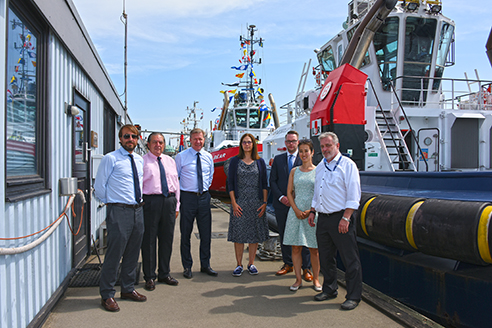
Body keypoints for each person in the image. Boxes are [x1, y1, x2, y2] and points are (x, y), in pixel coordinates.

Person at [94, 124, 147, 312]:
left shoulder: (139, 160)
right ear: (120, 138)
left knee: (133, 252)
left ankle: (128, 288)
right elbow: (99, 187)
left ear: (138, 139)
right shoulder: (111, 159)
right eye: (126, 136)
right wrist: (113, 203)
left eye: (133, 136)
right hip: (119, 211)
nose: (130, 140)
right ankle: (107, 294)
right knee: (115, 254)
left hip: (138, 211)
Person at [308, 132, 362, 311]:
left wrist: (346, 218)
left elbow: (354, 195)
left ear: (337, 146)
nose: (324, 149)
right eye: (322, 146)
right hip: (323, 219)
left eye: (328, 146)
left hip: (341, 218)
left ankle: (353, 296)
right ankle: (329, 289)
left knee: (349, 259)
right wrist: (312, 211)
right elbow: (318, 192)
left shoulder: (348, 165)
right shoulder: (321, 166)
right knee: (326, 257)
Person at [269, 130, 312, 282]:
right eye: (288, 141)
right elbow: (272, 181)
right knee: (284, 234)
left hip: (300, 205)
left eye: (293, 141)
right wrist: (281, 197)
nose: (291, 144)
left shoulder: (304, 160)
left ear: (298, 142)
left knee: (304, 235)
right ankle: (288, 264)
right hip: (282, 205)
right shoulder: (278, 160)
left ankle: (306, 268)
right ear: (285, 143)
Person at [175, 128, 217, 279]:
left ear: (204, 139)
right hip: (188, 198)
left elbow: (210, 176)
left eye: (200, 139)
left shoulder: (208, 157)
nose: (198, 142)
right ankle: (187, 266)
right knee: (185, 233)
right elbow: (176, 178)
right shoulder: (181, 157)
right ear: (190, 140)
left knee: (206, 234)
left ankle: (205, 265)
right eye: (195, 139)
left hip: (204, 197)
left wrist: (203, 190)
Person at [141, 132, 180, 291]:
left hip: (169, 202)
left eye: (161, 142)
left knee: (167, 239)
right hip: (150, 202)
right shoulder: (142, 162)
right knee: (149, 241)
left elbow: (176, 184)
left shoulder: (170, 161)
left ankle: (164, 273)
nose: (158, 145)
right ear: (148, 144)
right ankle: (150, 276)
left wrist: (177, 205)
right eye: (155, 142)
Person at [227, 133, 269, 276]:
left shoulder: (260, 162)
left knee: (254, 235)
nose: (247, 144)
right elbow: (230, 184)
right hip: (239, 203)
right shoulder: (234, 161)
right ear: (241, 144)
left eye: (249, 142)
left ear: (253, 144)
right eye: (244, 142)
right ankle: (239, 264)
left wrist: (264, 202)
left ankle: (251, 263)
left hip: (256, 203)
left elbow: (264, 183)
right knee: (239, 235)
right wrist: (233, 203)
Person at [283, 139, 321, 292]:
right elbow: (289, 193)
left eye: (306, 150)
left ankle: (316, 280)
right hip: (295, 213)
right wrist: (296, 210)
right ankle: (298, 279)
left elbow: (320, 194)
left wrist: (311, 210)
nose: (304, 154)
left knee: (314, 249)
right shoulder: (294, 171)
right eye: (301, 151)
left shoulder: (319, 171)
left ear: (312, 152)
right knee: (296, 247)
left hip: (312, 214)